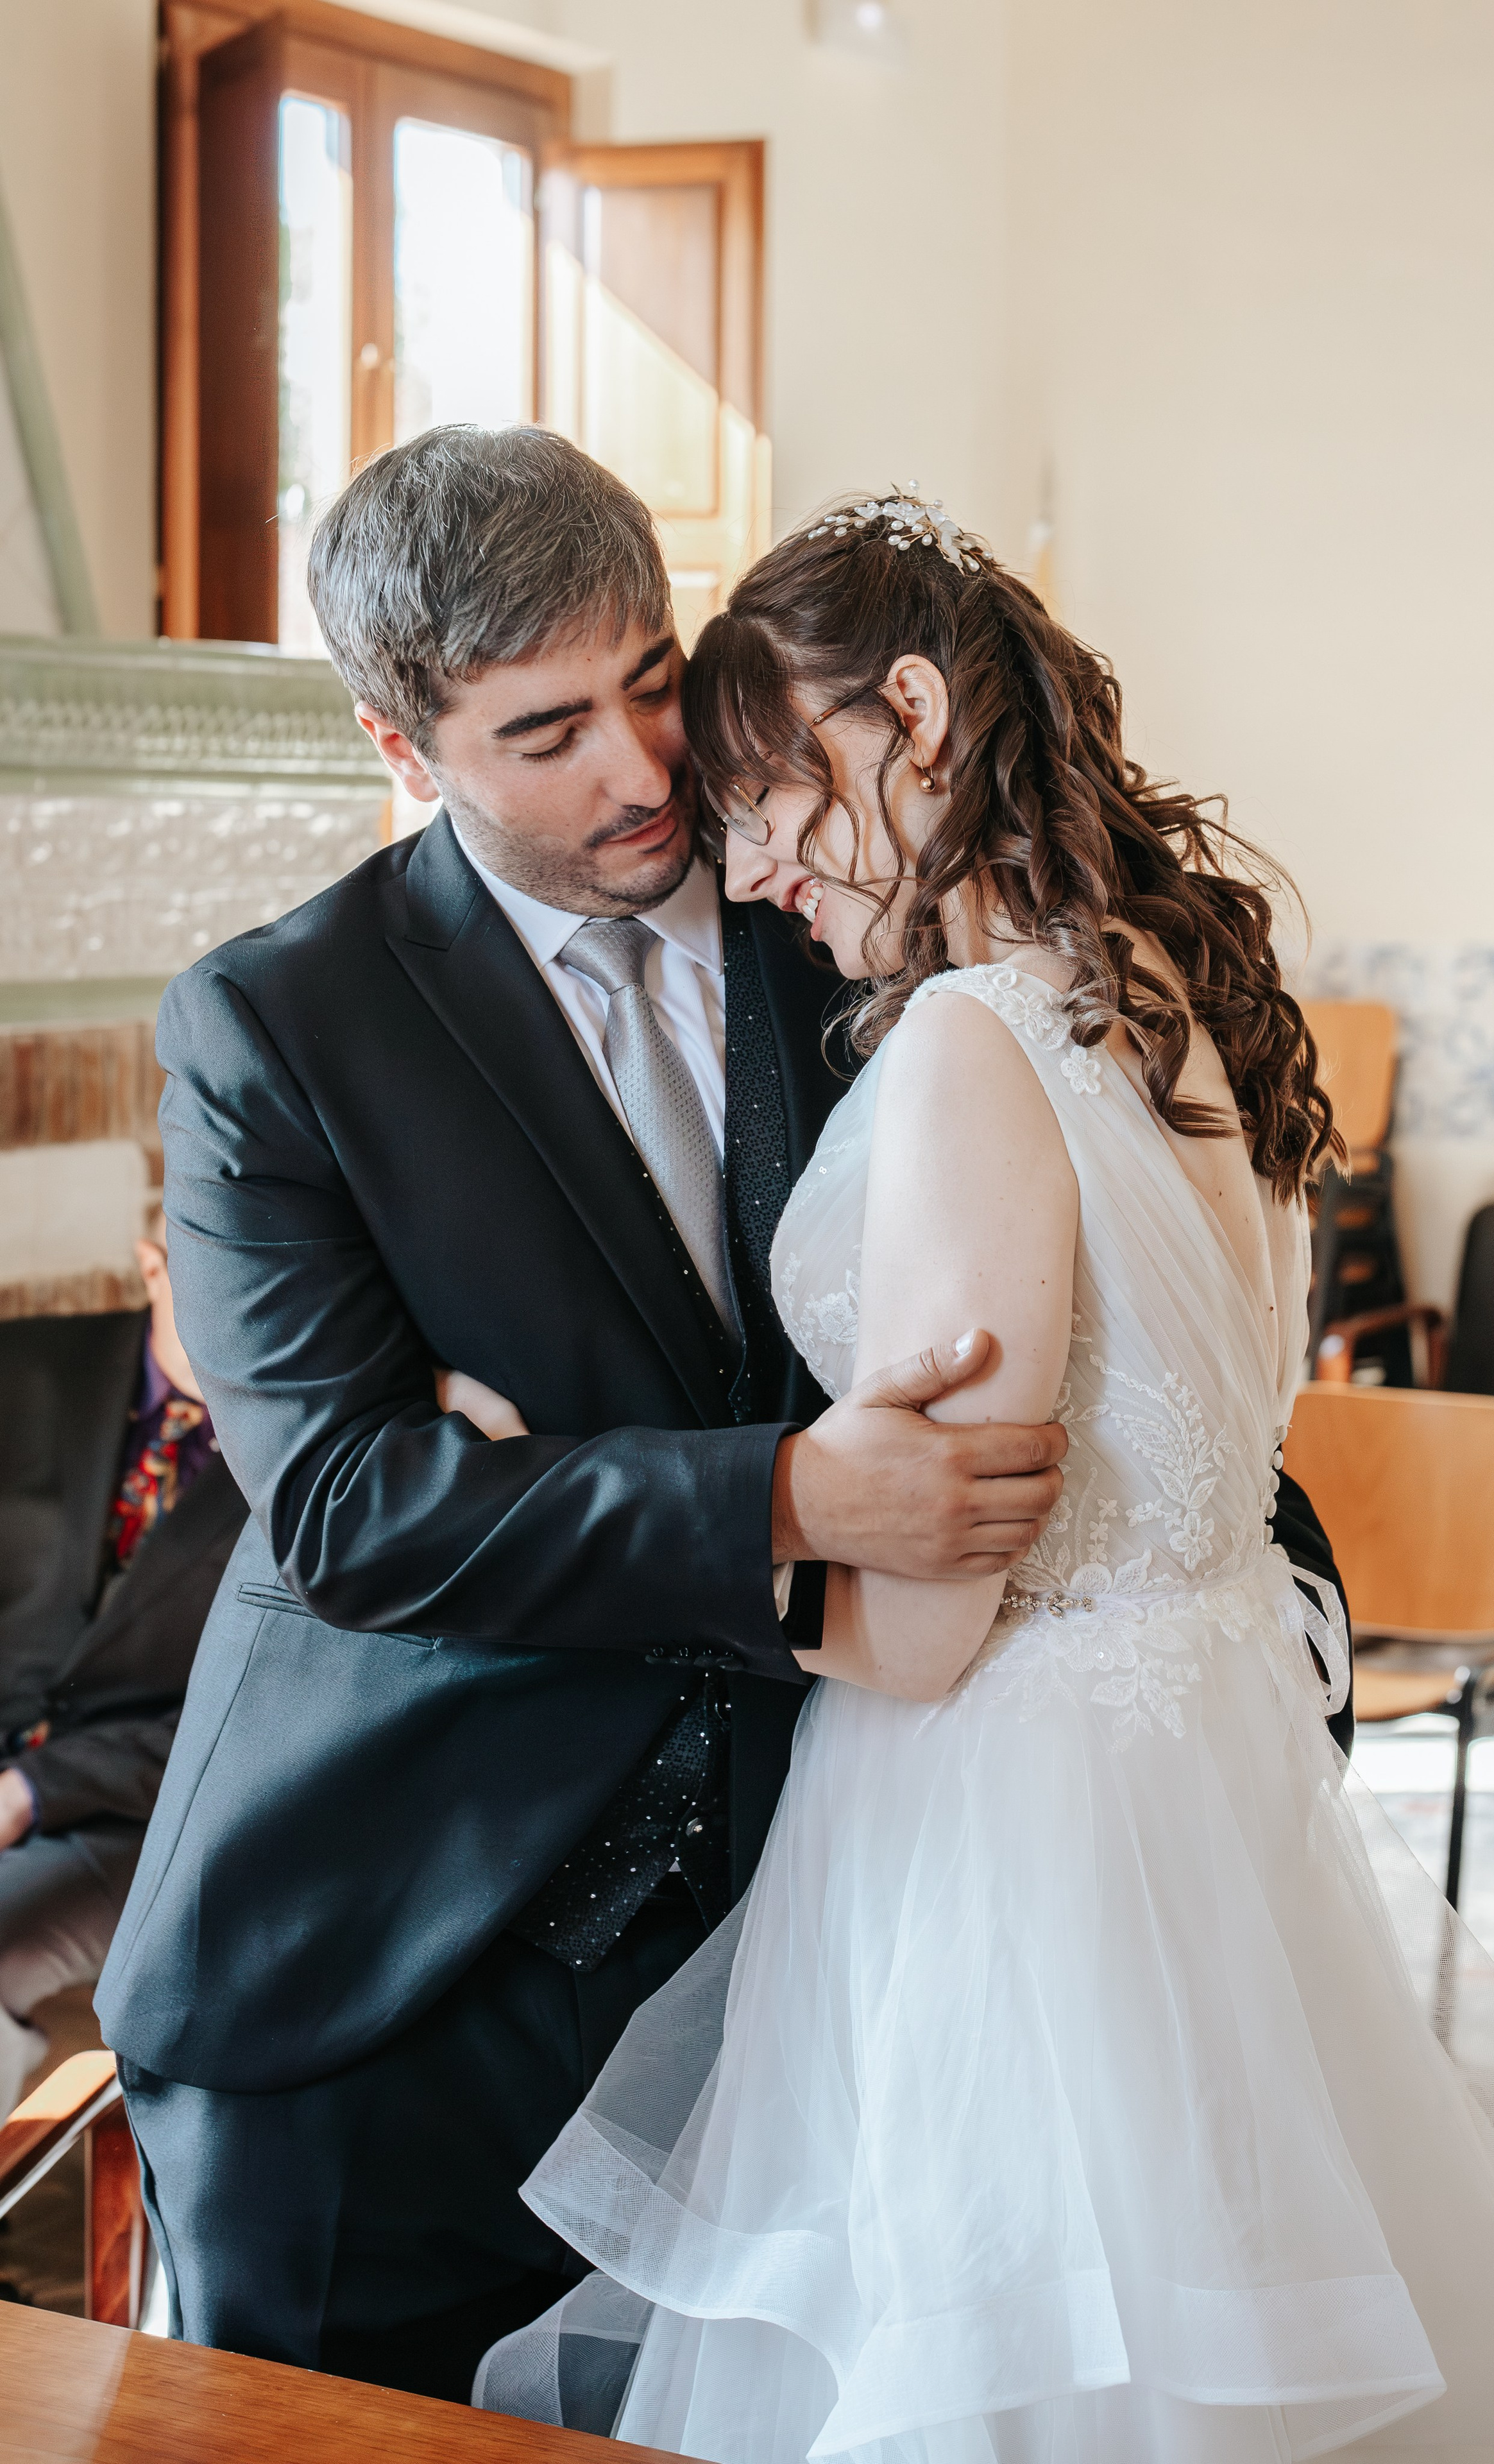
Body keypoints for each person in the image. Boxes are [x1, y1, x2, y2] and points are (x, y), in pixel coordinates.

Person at [476, 491, 1494, 2463]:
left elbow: (926, 1624)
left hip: (1008, 1843)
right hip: (1198, 1779)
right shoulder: (1189, 990)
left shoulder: (966, 1054)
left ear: (913, 716)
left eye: (771, 793)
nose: (752, 864)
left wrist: (594, 1513)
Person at [92, 428, 1085, 2404]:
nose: (643, 772)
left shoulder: (846, 916)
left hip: (797, 1946)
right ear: (402, 745)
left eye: (652, 678)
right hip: (382, 1968)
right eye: (545, 732)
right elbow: (359, 1512)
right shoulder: (274, 1032)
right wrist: (799, 1492)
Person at [0, 1210, 246, 2123]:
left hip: (136, 1820)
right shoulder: (22, 1369)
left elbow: (250, 1721)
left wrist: (35, 1787)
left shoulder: (305, 1455)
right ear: (153, 1263)